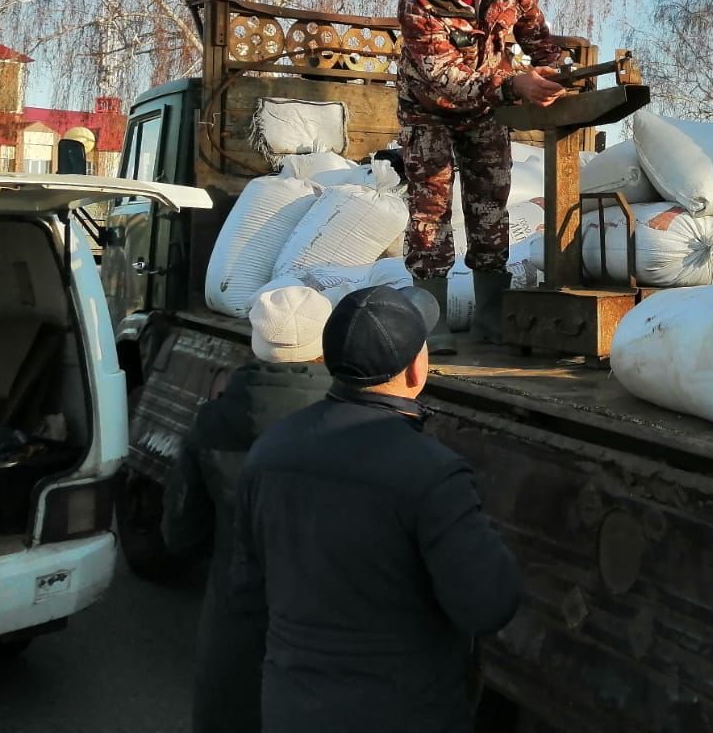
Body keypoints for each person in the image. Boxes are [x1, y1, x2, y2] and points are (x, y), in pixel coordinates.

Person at [228, 285, 522, 733]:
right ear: (415, 369)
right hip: (404, 712)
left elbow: (247, 592)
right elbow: (488, 605)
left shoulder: (269, 451)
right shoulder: (432, 474)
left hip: (293, 708)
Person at [398, 0, 567, 352]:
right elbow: (449, 79)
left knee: (491, 206)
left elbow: (532, 27)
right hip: (428, 110)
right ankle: (428, 322)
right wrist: (514, 84)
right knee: (430, 209)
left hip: (488, 109)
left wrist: (556, 70)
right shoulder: (417, 7)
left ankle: (491, 317)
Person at [160, 302, 333, 733]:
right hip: (323, 630)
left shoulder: (213, 421)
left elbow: (180, 533)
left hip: (234, 622)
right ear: (323, 348)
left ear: (257, 346)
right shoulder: (352, 425)